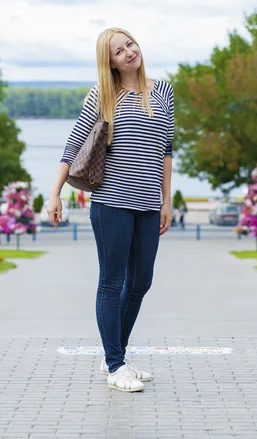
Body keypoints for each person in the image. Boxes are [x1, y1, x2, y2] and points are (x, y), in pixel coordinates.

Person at [46, 27, 174, 393]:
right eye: (119, 51)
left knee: (141, 282)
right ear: (110, 62)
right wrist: (55, 193)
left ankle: (111, 354)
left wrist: (167, 200)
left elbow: (166, 151)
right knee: (112, 281)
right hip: (111, 203)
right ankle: (116, 365)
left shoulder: (163, 91)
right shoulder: (102, 94)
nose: (129, 52)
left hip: (149, 205)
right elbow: (73, 147)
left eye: (130, 44)